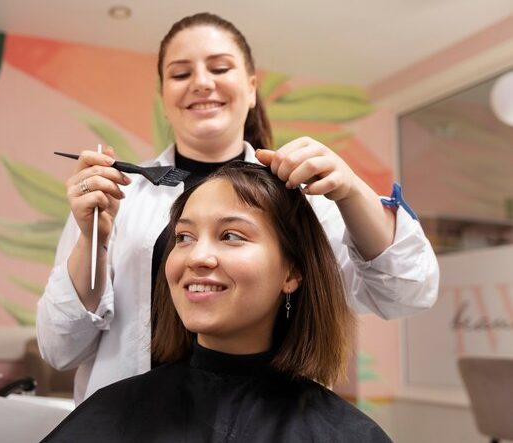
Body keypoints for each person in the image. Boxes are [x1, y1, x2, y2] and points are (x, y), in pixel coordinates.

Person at [37, 12, 439, 403]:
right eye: (180, 74)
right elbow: (59, 350)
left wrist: (351, 190)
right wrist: (91, 239)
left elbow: (409, 292)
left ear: (251, 88)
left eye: (219, 68)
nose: (201, 83)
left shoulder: (299, 196)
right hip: (134, 424)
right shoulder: (115, 200)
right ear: (164, 98)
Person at [42, 162, 393, 442]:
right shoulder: (111, 414)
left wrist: (352, 190)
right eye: (184, 237)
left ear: (292, 272)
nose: (197, 256)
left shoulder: (346, 434)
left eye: (230, 235)